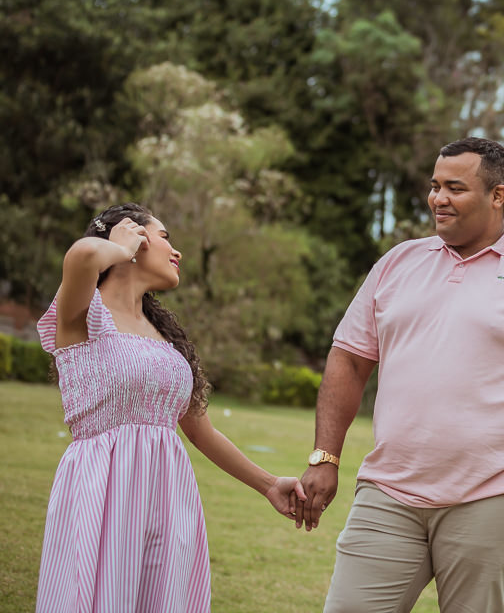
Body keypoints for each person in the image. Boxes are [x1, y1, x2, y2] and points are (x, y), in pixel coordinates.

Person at [299, 137, 504, 613]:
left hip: (495, 495)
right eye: (435, 186)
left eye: (455, 188)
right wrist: (325, 457)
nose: (438, 199)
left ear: (497, 195)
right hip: (389, 491)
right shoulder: (398, 263)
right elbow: (349, 359)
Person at [35, 202, 306, 613]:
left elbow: (202, 432)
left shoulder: (163, 337)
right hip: (103, 490)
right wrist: (119, 247)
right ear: (133, 237)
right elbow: (82, 255)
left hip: (167, 495)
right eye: (164, 237)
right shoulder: (84, 313)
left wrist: (268, 484)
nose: (177, 251)